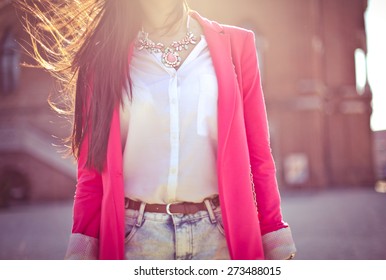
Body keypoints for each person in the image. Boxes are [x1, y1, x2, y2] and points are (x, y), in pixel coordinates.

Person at [20, 0, 296, 260]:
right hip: (136, 238)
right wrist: (81, 249)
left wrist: (274, 236)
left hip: (219, 235)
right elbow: (92, 171)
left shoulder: (238, 45)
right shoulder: (103, 59)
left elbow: (259, 153)